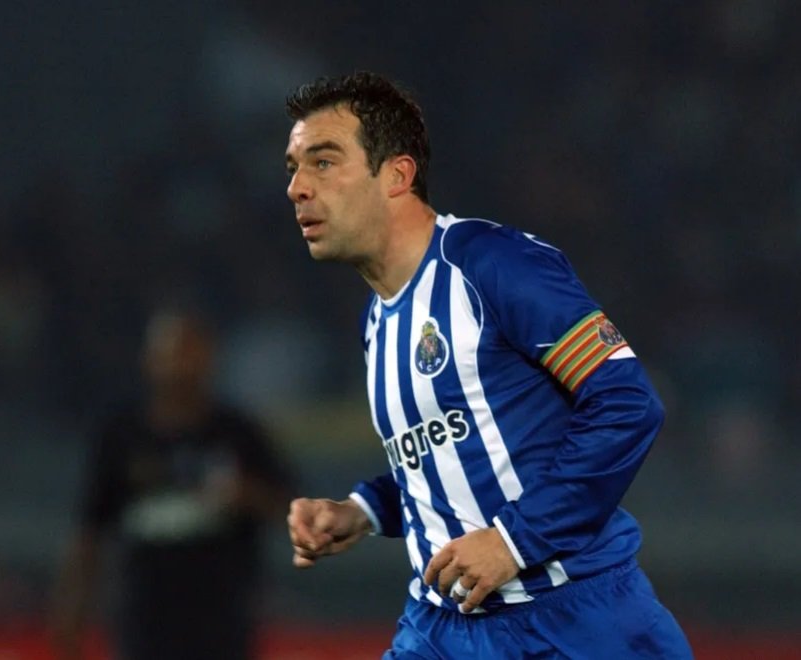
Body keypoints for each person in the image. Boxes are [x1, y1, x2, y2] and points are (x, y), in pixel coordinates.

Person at [281, 72, 693, 658]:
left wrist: (512, 543)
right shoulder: (378, 320)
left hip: (574, 619)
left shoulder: (494, 265)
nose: (297, 187)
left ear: (397, 174)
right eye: (294, 168)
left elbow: (627, 403)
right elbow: (456, 457)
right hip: (441, 629)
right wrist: (362, 511)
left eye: (323, 162)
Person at [49, 308, 293, 660]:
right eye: (170, 353)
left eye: (190, 352)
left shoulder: (239, 434)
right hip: (144, 618)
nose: (179, 365)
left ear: (210, 358)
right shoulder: (122, 436)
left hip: (221, 618)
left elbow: (290, 510)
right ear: (149, 360)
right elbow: (90, 531)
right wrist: (71, 610)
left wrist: (247, 494)